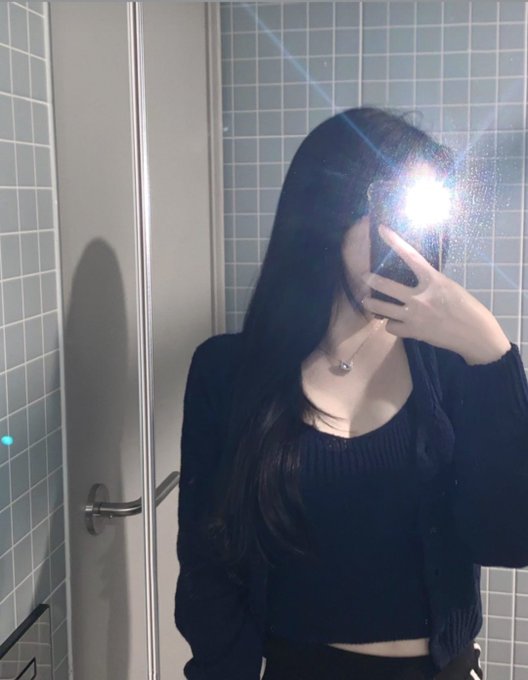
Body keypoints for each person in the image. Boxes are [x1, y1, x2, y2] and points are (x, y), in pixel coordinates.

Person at [174, 107, 528, 679]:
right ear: (327, 215)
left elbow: (512, 539)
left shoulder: (454, 366)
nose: (414, 242)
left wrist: (491, 352)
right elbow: (208, 565)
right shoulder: (226, 372)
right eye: (394, 213)